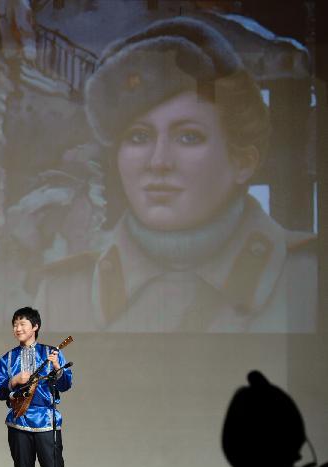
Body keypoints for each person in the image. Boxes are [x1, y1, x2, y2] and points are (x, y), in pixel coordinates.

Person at [34, 17, 316, 332]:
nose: (158, 162)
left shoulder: (311, 278)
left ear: (243, 162)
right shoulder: (64, 293)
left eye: (188, 137)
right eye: (139, 137)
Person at [0, 307, 86, 467]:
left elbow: (65, 385)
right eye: (15, 324)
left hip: (46, 419)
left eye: (23, 324)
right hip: (18, 420)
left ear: (35, 327)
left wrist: (57, 369)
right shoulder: (8, 358)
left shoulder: (52, 352)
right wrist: (14, 380)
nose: (18, 328)